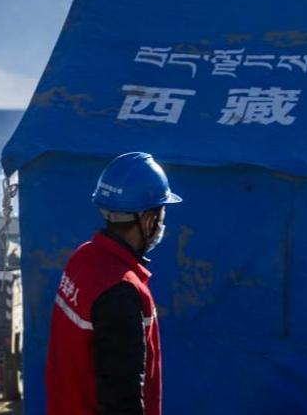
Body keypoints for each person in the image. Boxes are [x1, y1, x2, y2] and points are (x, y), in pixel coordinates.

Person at [46, 152, 182, 415]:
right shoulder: (121, 290)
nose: (162, 223)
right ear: (147, 220)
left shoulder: (83, 259)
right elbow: (122, 396)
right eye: (161, 213)